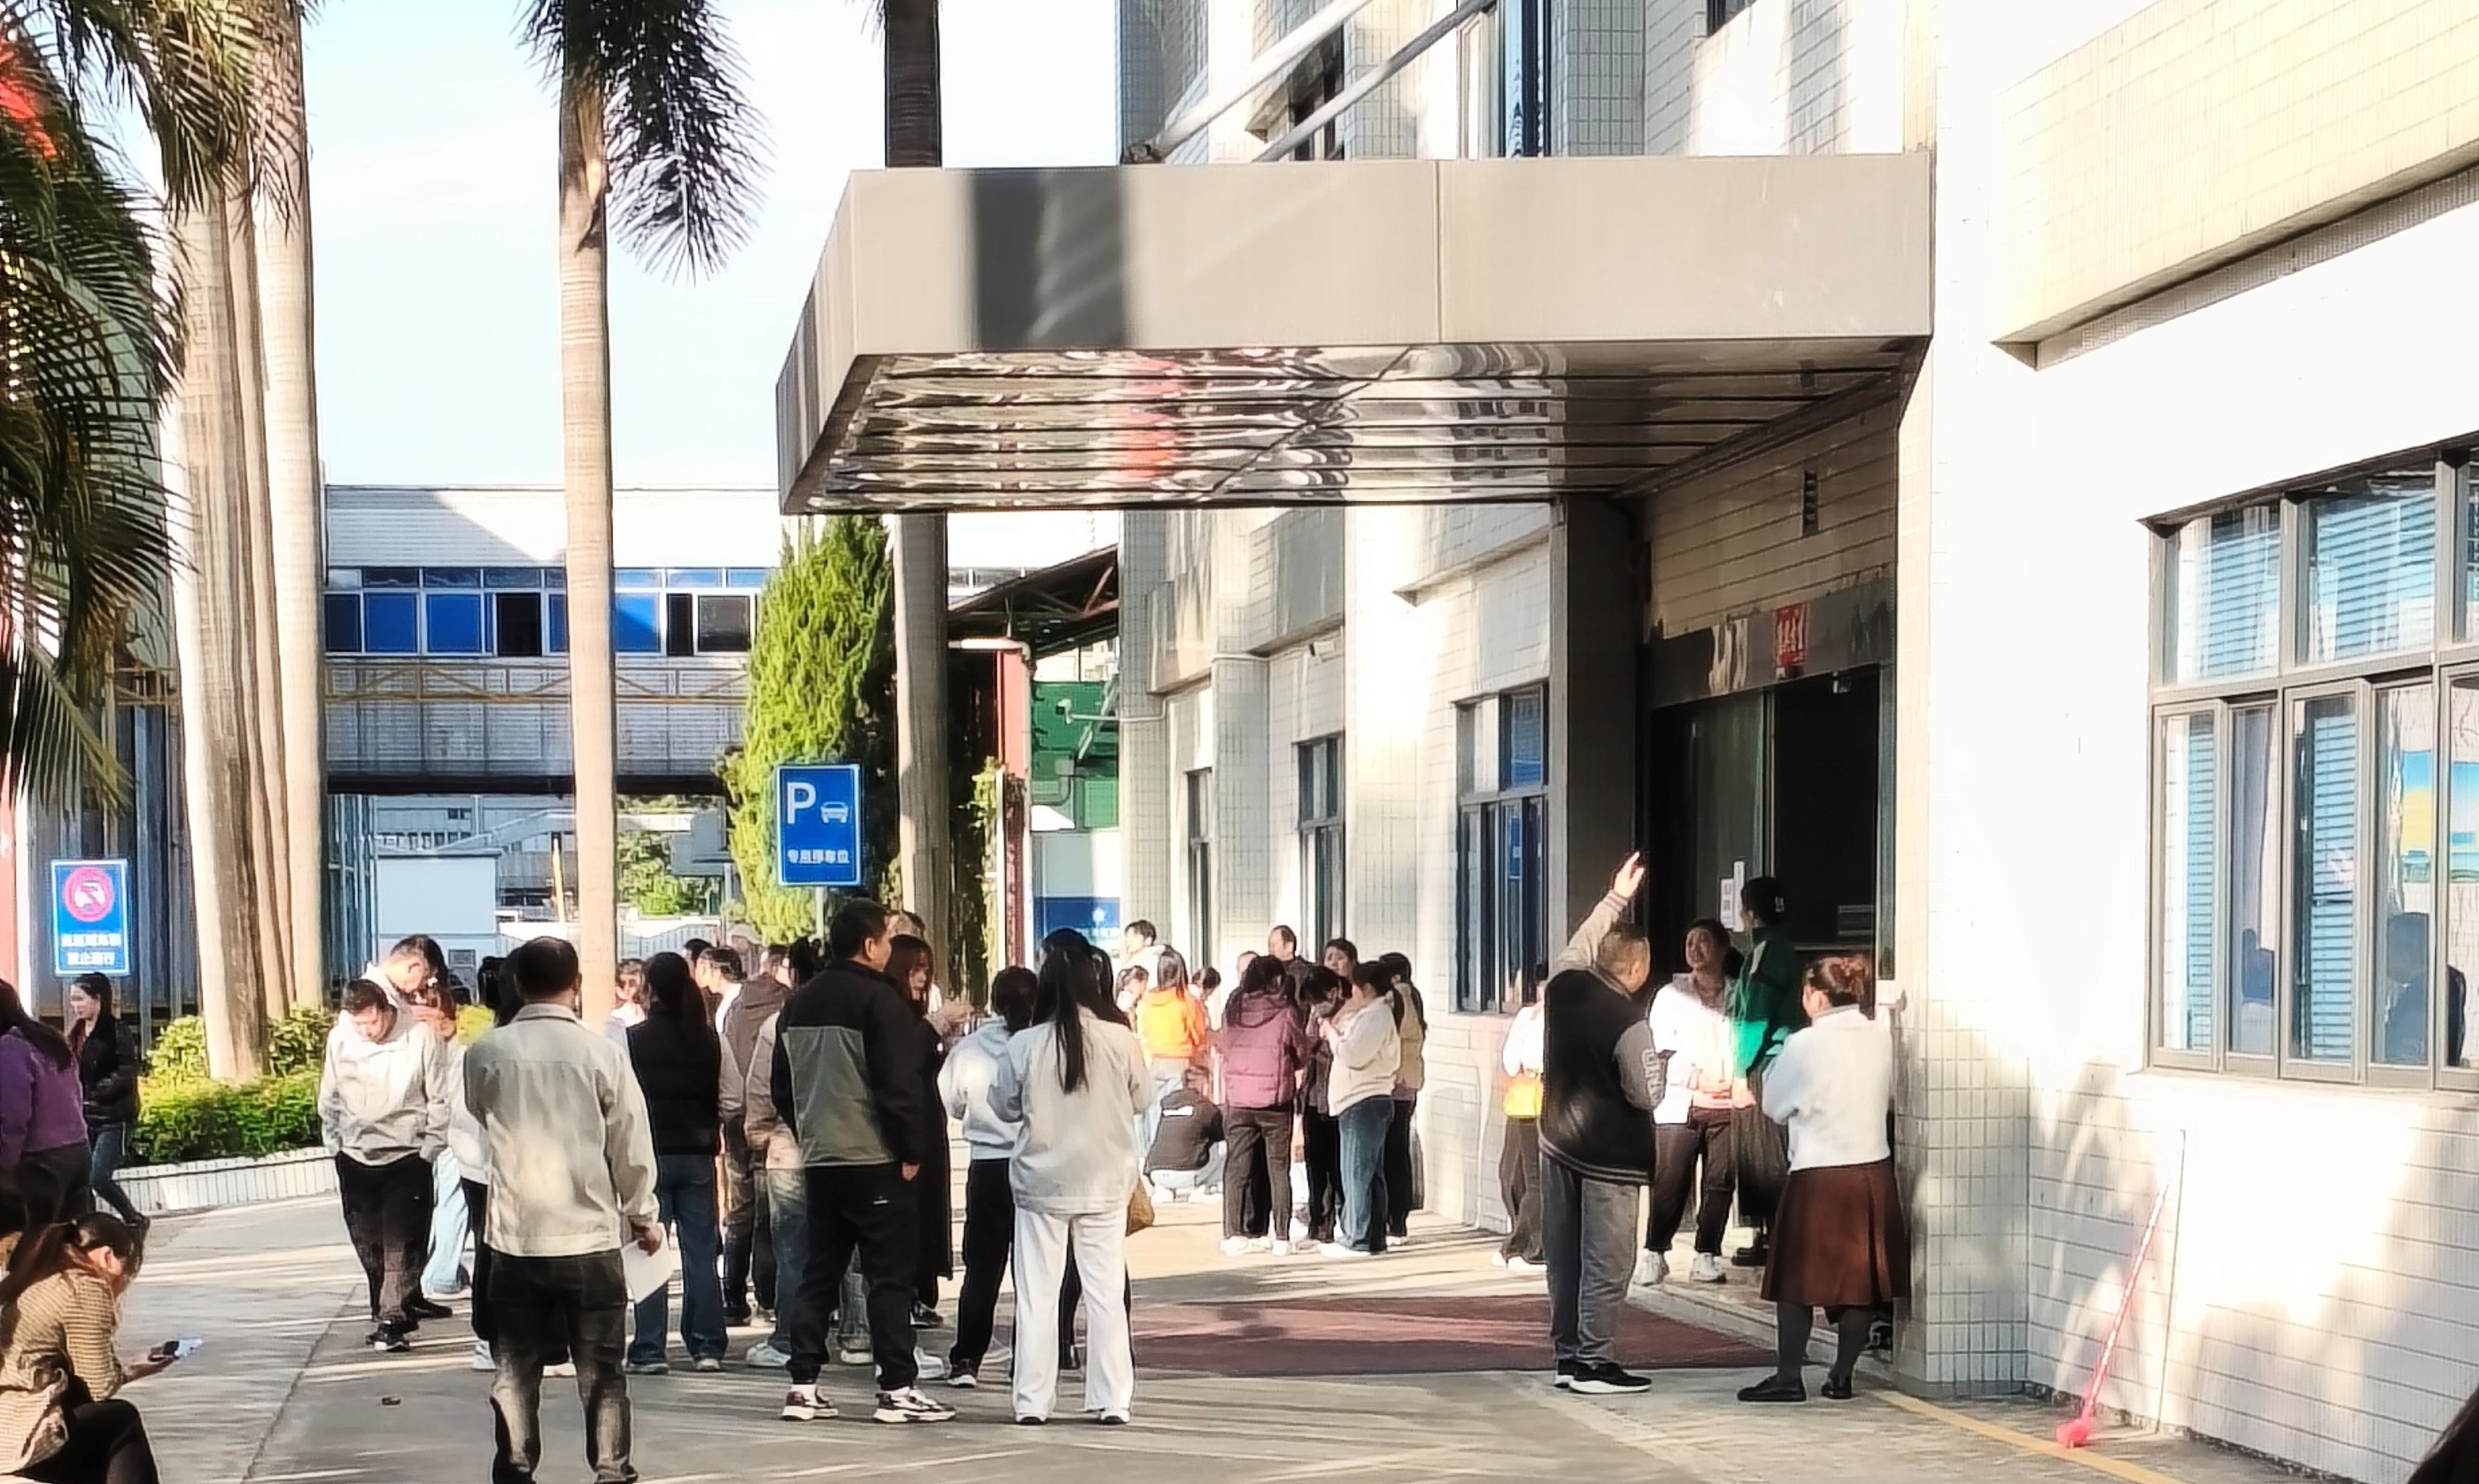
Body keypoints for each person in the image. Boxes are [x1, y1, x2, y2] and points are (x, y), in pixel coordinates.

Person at [466, 936, 662, 1484]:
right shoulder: (602, 1054)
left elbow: (480, 1112)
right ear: (575, 985)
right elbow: (630, 1143)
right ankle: (611, 1470)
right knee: (603, 1371)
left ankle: (515, 1468)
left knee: (515, 1370)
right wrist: (642, 1214)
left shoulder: (486, 1052)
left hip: (515, 1238)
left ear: (518, 984)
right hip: (590, 1238)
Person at [771, 900, 954, 1426]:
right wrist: (912, 1151)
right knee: (888, 1278)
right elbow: (898, 1086)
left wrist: (810, 1130)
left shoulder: (799, 1003)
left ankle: (803, 1385)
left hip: (821, 1158)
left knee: (819, 1273)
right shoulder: (880, 1001)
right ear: (870, 945)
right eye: (887, 939)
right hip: (875, 1159)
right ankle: (896, 1387)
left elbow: (782, 1085)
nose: (889, 948)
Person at [992, 945, 1150, 1426]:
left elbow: (1003, 1106)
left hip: (1040, 1183)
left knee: (1038, 1295)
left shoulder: (1024, 1044)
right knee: (1105, 1293)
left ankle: (1032, 1401)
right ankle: (1112, 1398)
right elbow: (1142, 1099)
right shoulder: (1120, 1040)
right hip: (1105, 1181)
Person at [1739, 955, 1907, 1404]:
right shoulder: (1880, 1035)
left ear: (1815, 996)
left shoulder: (1804, 1044)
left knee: (1795, 1282)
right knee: (1859, 1281)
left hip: (1817, 1172)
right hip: (1871, 1169)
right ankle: (1842, 1375)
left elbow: (1774, 1105)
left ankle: (1788, 1376)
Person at [1539, 853, 1662, 1396]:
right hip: (1611, 1155)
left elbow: (1580, 943)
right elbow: (1645, 1092)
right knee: (1607, 1260)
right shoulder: (1631, 1021)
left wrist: (1616, 897)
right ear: (1636, 970)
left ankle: (1567, 1356)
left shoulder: (1562, 988)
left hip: (1556, 1140)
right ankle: (1595, 1360)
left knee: (1564, 1257)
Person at [941, 965, 1076, 1389]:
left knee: (982, 1268)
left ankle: (967, 1359)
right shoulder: (1049, 1045)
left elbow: (952, 1102)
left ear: (995, 1004)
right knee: (1034, 1270)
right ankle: (1028, 1358)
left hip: (987, 1164)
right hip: (1036, 1162)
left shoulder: (970, 1048)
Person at [317, 978, 452, 1353]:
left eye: (372, 1021)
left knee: (403, 1242)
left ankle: (392, 1317)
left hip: (406, 1154)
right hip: (355, 1154)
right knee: (368, 1242)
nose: (367, 1031)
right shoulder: (340, 1039)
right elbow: (329, 1094)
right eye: (359, 1023)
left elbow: (438, 1096)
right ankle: (388, 1307)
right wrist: (334, 1144)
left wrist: (430, 1147)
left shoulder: (420, 1037)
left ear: (386, 1010)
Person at [0, 1214, 167, 1484]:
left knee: (94, 1429)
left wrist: (131, 1366)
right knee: (122, 1418)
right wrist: (132, 1371)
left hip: (8, 1417)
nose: (123, 1281)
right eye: (126, 1270)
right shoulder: (85, 1288)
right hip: (24, 1431)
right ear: (107, 1256)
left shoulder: (42, 1275)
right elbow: (100, 1387)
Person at [624, 953, 727, 1374]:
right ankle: (707, 1346)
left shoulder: (632, 1040)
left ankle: (650, 1348)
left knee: (649, 1252)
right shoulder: (709, 1040)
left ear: (648, 988)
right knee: (700, 1253)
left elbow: (621, 1103)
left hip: (649, 1157)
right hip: (698, 1154)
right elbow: (731, 1097)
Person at [1642, 919, 1743, 1288]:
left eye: (1704, 941)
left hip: (1727, 1102)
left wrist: (1736, 1078)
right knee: (1670, 1181)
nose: (1695, 949)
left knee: (1720, 1182)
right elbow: (1659, 1050)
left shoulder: (1738, 993)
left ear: (1722, 948)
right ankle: (1655, 1252)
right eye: (1690, 942)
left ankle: (1707, 1254)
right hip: (1681, 1102)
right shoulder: (1671, 995)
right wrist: (1695, 1078)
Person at [1731, 877, 1807, 1269]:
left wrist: (1740, 1069)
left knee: (1763, 1156)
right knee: (1774, 1152)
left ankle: (1774, 1238)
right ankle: (1774, 1236)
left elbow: (1753, 1017)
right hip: (1785, 1061)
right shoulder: (1786, 950)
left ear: (1749, 913)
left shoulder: (1764, 952)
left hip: (1766, 1064)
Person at [717, 945, 792, 1332]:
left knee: (740, 1213)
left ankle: (732, 1296)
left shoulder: (734, 1010)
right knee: (767, 1218)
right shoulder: (782, 1013)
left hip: (736, 1124)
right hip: (770, 1123)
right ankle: (767, 1299)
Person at [1214, 955, 1308, 1256]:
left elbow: (1225, 1043)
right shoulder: (1286, 1010)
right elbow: (1300, 1052)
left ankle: (1233, 1234)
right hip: (1275, 1102)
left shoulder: (1234, 1006)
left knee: (1236, 1168)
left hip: (1238, 1100)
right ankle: (1281, 1237)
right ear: (1276, 979)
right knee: (1278, 1169)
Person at [884, 934, 954, 1330]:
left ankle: (922, 1290)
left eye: (926, 970)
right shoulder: (892, 1014)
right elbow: (903, 1060)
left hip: (928, 1122)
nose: (922, 978)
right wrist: (935, 1026)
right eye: (915, 969)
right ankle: (909, 1294)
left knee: (927, 1210)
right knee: (908, 1214)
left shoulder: (912, 1014)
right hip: (905, 1127)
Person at [1319, 962, 1400, 1260]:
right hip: (1364, 1101)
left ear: (1366, 988)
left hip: (1364, 1101)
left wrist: (1331, 1033)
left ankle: (1357, 1237)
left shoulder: (1376, 1015)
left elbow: (1354, 1055)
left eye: (1354, 987)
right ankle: (1373, 1236)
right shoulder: (1373, 1015)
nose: (1350, 992)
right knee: (1369, 1172)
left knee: (1356, 1172)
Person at [399, 984, 472, 1309]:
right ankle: (441, 1273)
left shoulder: (413, 1048)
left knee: (436, 1205)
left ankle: (437, 1270)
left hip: (428, 1136)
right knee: (451, 1205)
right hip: (451, 1134)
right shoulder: (457, 1052)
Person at [65, 976, 145, 1229]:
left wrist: (98, 1093)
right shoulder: (76, 1033)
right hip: (85, 1118)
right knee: (80, 1179)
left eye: (80, 999)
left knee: (98, 1177)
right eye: (72, 1000)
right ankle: (87, 1227)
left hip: (114, 1117)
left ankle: (134, 1219)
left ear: (98, 999)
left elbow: (127, 1070)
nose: (75, 1006)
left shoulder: (116, 1031)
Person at [1133, 948, 1208, 1146]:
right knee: (1176, 1110)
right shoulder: (1186, 1001)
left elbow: (1143, 1029)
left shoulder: (1148, 1000)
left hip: (1154, 1061)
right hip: (1180, 1062)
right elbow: (1198, 1032)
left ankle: (1153, 1148)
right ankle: (1173, 1150)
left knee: (1154, 1110)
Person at [1494, 980, 1546, 1271]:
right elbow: (1512, 1060)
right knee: (1518, 1176)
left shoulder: (1562, 1017)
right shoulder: (1529, 1016)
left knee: (1535, 1178)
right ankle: (1523, 1240)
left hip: (1546, 1102)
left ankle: (1532, 1247)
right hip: (1530, 1100)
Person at [1377, 951, 1428, 1243]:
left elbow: (1394, 1036)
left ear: (1394, 976)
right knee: (1399, 1150)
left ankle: (1394, 1217)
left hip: (1394, 1082)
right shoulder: (1413, 996)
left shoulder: (1397, 996)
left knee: (1391, 1153)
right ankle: (1398, 1218)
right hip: (1408, 1082)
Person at [1297, 968, 1347, 1247]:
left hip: (1339, 1099)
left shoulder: (1349, 1014)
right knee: (1315, 1165)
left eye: (1319, 999)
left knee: (1339, 1166)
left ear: (1334, 991)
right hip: (1314, 1098)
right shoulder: (1313, 1016)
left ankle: (1346, 1222)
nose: (1317, 1006)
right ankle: (1319, 1225)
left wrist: (1328, 1033)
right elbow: (1303, 1053)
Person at [1145, 1063, 1225, 1202]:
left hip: (1156, 1173)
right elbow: (1221, 1134)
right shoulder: (1205, 1108)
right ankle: (1207, 1188)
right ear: (1205, 1085)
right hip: (1187, 1174)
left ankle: (1164, 1189)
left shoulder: (1167, 1106)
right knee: (1224, 1147)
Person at [603, 960, 647, 1047]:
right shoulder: (614, 1017)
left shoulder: (648, 1012)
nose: (626, 988)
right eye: (621, 983)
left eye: (632, 983)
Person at [1266, 926, 1316, 996]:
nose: (1270, 950)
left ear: (1289, 946)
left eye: (1274, 945)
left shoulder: (1308, 973)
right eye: (1269, 946)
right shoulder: (1267, 973)